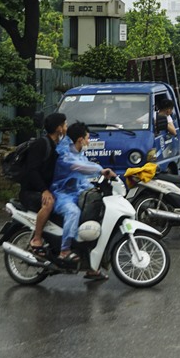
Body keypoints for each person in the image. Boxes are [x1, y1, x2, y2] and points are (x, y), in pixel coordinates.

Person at [51, 121, 116, 279]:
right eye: (87, 138)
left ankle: (92, 267)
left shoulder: (78, 151)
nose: (89, 141)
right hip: (62, 194)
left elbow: (86, 165)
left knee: (94, 216)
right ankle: (64, 250)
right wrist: (101, 170)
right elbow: (78, 167)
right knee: (74, 213)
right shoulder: (65, 154)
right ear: (80, 139)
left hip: (77, 191)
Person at [19, 113, 68, 255]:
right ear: (59, 128)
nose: (66, 128)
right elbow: (32, 171)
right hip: (30, 192)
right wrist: (44, 190)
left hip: (46, 189)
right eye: (64, 125)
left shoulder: (57, 145)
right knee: (49, 203)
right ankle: (37, 238)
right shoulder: (41, 144)